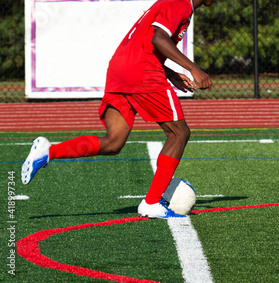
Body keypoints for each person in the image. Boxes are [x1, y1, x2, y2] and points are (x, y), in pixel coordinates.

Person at [20, 0, 217, 218]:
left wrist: (171, 74)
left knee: (114, 141)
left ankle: (48, 151)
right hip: (142, 72)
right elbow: (158, 39)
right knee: (179, 133)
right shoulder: (180, 3)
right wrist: (193, 68)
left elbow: (146, 44)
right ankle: (151, 203)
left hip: (120, 68)